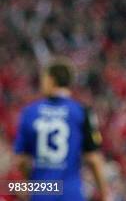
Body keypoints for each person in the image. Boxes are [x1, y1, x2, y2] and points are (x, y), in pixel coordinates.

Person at [14, 58, 109, 201]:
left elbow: (21, 160)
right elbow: (93, 159)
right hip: (71, 192)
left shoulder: (30, 112)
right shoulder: (82, 112)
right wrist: (104, 194)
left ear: (51, 80)